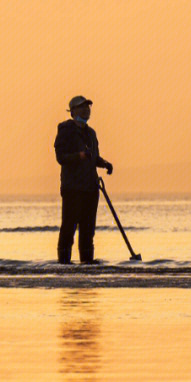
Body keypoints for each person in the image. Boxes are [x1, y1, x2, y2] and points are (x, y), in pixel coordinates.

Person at [53, 96, 113, 264]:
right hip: (72, 188)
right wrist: (79, 156)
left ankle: (87, 264)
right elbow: (61, 157)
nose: (86, 110)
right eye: (82, 107)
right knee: (69, 228)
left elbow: (94, 157)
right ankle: (63, 264)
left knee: (88, 230)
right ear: (73, 112)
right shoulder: (66, 130)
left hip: (90, 187)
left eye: (88, 107)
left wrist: (105, 164)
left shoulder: (91, 133)